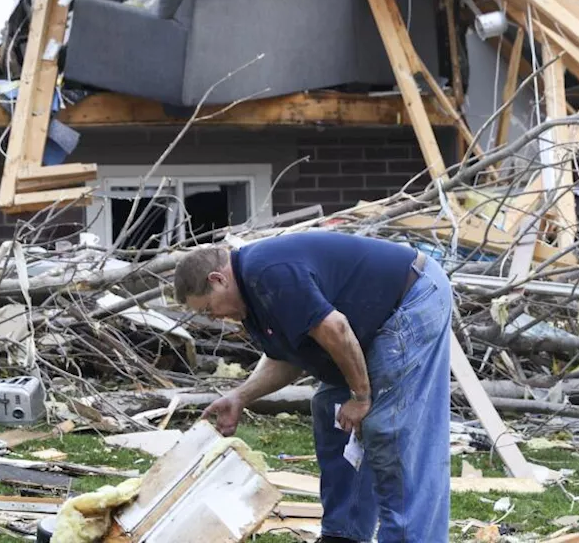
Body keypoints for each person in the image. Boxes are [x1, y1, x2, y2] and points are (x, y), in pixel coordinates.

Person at [173, 231, 452, 543]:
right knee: (330, 410)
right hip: (364, 329)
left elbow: (335, 328)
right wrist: (240, 396)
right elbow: (286, 357)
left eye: (208, 308)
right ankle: (344, 535)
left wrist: (361, 397)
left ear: (218, 280)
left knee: (389, 428)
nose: (214, 317)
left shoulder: (269, 272)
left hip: (408, 299)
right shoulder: (250, 298)